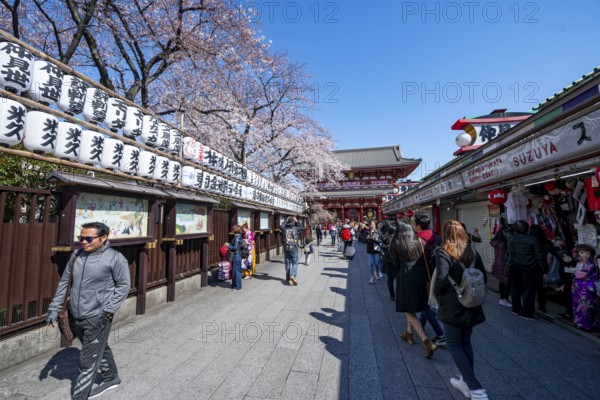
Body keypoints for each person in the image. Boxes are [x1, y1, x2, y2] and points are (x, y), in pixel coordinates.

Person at [46, 222, 131, 399]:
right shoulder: (77, 255)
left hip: (98, 316)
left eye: (89, 238)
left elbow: (123, 286)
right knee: (98, 347)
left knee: (87, 361)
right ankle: (111, 377)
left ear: (103, 238)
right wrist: (54, 308)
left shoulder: (115, 258)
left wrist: (108, 311)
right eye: (81, 238)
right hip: (76, 314)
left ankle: (80, 396)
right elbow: (64, 283)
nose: (84, 242)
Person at [433, 220, 488, 400]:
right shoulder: (472, 252)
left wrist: (438, 297)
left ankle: (476, 389)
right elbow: (483, 277)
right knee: (466, 343)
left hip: (452, 305)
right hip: (471, 303)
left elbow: (440, 279)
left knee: (454, 345)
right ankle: (465, 380)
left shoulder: (443, 252)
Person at [389, 221, 437, 359]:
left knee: (408, 310)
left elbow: (395, 263)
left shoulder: (396, 243)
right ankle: (409, 334)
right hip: (420, 276)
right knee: (411, 307)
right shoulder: (419, 241)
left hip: (406, 277)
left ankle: (426, 342)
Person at [412, 214, 445, 347]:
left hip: (423, 275)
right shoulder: (437, 236)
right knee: (426, 301)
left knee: (424, 304)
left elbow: (414, 260)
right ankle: (421, 324)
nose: (413, 225)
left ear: (418, 225)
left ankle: (440, 333)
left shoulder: (416, 239)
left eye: (413, 223)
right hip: (437, 273)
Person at [505, 220, 546, 320]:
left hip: (514, 267)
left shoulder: (511, 238)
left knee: (515, 289)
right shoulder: (533, 240)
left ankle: (516, 309)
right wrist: (544, 270)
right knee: (528, 290)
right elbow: (539, 256)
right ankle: (527, 313)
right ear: (527, 229)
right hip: (528, 268)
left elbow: (505, 230)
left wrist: (512, 227)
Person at [571, 244, 598, 330]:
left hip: (585, 287)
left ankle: (587, 325)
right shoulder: (579, 261)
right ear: (578, 253)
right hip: (577, 286)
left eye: (587, 253)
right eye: (582, 253)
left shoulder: (590, 264)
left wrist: (575, 272)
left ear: (591, 254)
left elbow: (582, 274)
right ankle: (578, 322)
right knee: (576, 304)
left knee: (585, 305)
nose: (585, 255)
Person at [490, 224, 512, 307]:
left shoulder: (497, 241)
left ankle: (504, 298)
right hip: (504, 263)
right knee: (506, 281)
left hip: (498, 262)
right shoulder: (503, 243)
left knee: (503, 281)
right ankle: (504, 299)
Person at [281, 216, 303, 285]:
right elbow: (301, 227)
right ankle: (293, 275)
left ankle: (287, 279)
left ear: (287, 222)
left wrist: (285, 221)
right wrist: (297, 221)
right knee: (294, 263)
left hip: (286, 248)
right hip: (294, 248)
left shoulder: (284, 229)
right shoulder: (296, 229)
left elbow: (281, 226)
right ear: (293, 222)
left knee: (287, 264)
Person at [381, 224, 397, 300]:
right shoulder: (398, 239)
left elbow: (381, 246)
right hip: (396, 262)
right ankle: (399, 294)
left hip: (388, 261)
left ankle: (392, 295)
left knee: (390, 279)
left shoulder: (386, 238)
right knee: (398, 280)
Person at [228, 225, 245, 290]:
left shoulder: (237, 237)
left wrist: (228, 245)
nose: (232, 229)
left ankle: (237, 286)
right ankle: (235, 285)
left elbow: (235, 248)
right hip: (238, 255)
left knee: (236, 271)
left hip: (236, 255)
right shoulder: (238, 236)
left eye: (233, 228)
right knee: (236, 270)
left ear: (236, 230)